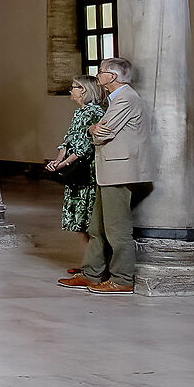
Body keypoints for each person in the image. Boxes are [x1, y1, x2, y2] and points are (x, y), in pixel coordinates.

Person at [64, 57, 143, 293]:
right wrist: (94, 129)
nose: (97, 76)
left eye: (101, 72)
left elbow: (101, 133)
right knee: (96, 227)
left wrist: (91, 129)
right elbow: (101, 130)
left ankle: (122, 278)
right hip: (107, 170)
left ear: (112, 76)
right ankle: (92, 273)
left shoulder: (126, 98)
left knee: (117, 230)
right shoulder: (114, 99)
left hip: (119, 171)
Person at [45, 76, 105, 270]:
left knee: (88, 221)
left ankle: (95, 266)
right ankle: (89, 264)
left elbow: (85, 146)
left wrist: (63, 165)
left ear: (84, 90)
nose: (71, 90)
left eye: (74, 87)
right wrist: (57, 160)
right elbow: (68, 140)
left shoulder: (94, 112)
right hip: (76, 170)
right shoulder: (80, 113)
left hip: (86, 172)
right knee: (80, 222)